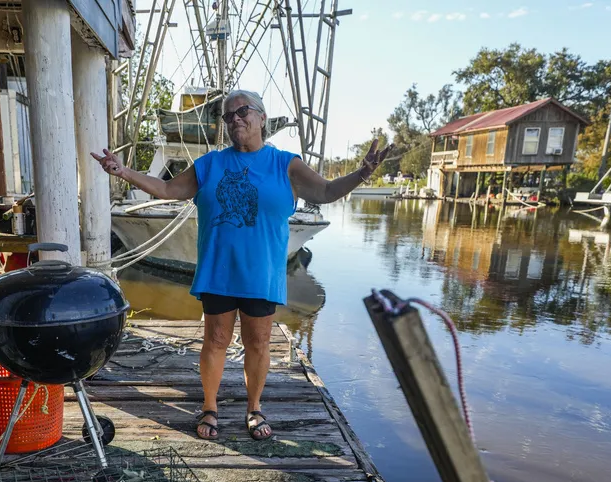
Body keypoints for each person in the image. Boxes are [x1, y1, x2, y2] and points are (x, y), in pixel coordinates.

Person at [92, 90, 391, 441]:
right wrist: (123, 171)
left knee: (259, 343)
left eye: (242, 112)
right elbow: (167, 190)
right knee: (215, 340)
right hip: (219, 270)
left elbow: (325, 192)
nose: (235, 120)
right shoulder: (211, 164)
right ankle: (209, 407)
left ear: (262, 117)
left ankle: (254, 407)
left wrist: (360, 174)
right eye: (228, 116)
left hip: (261, 274)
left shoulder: (285, 164)